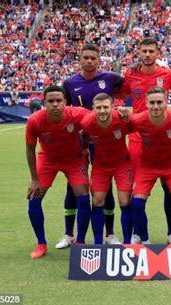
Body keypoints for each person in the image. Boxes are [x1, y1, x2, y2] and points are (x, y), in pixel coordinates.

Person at [119, 37, 171, 244]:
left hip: (163, 136)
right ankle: (138, 233)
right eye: (144, 51)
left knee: (170, 189)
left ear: (158, 53)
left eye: (151, 51)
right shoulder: (131, 73)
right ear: (138, 52)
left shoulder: (166, 73)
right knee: (135, 190)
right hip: (139, 137)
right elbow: (119, 93)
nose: (147, 55)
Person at [58, 43, 125, 248]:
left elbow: (130, 90)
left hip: (105, 143)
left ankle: (110, 234)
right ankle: (69, 234)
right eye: (85, 57)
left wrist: (122, 110)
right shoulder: (69, 83)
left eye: (93, 58)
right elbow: (62, 109)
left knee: (106, 189)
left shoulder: (111, 78)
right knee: (73, 187)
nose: (89, 61)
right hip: (78, 143)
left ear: (99, 60)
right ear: (80, 58)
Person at [25, 85, 91, 259]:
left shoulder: (78, 114)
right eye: (51, 101)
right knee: (34, 197)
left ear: (65, 102)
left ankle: (81, 242)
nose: (55, 104)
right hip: (48, 160)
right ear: (44, 103)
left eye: (58, 101)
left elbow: (98, 119)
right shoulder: (35, 120)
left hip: (74, 159)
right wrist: (34, 179)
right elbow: (30, 149)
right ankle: (41, 243)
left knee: (83, 196)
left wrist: (85, 145)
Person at [125, 86, 171, 244]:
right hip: (147, 165)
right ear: (146, 103)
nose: (155, 106)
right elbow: (115, 125)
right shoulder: (138, 120)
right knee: (137, 203)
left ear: (166, 102)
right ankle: (145, 240)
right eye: (152, 102)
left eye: (159, 102)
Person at [80, 93, 134, 244]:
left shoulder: (122, 118)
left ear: (112, 107)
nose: (102, 111)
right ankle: (98, 243)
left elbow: (139, 125)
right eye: (99, 108)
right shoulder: (87, 123)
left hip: (123, 165)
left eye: (105, 107)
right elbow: (84, 137)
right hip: (101, 167)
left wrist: (130, 113)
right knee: (97, 201)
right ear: (93, 109)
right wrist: (84, 149)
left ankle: (128, 243)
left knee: (124, 201)